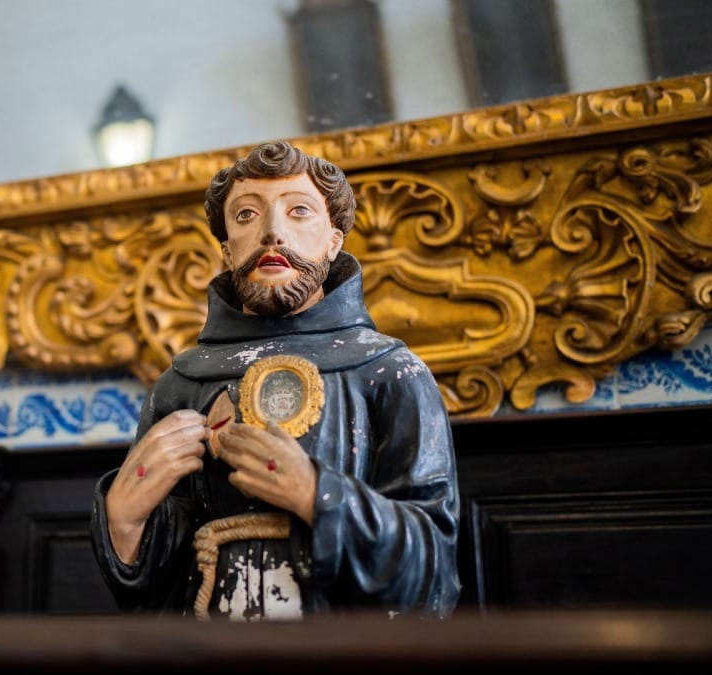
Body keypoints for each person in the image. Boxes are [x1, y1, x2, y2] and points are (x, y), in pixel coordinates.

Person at [90, 140, 460, 620]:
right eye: (245, 216)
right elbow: (163, 578)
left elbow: (433, 557)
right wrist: (124, 519)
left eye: (299, 211)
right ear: (226, 248)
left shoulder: (388, 370)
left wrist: (317, 495)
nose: (271, 233)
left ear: (334, 239)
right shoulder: (181, 384)